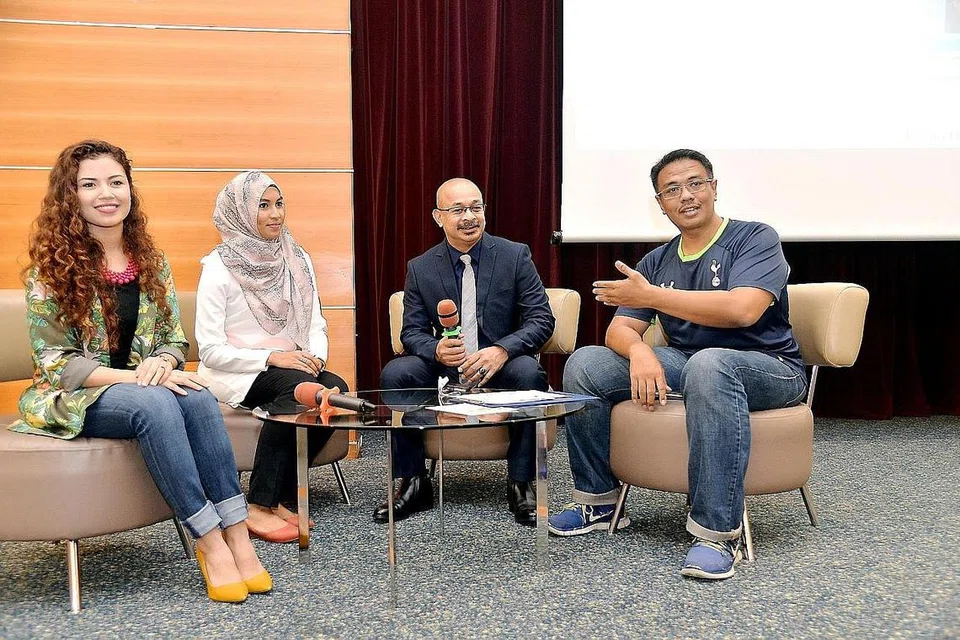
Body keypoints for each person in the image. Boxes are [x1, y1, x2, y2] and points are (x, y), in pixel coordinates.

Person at [9, 140, 270, 603]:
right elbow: (57, 364)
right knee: (157, 399)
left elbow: (174, 338)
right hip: (72, 397)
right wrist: (141, 378)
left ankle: (238, 534)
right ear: (70, 196)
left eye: (116, 181)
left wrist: (163, 362)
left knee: (199, 396)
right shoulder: (49, 270)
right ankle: (208, 542)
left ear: (130, 189)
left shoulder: (150, 261)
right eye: (89, 184)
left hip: (142, 387)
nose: (105, 193)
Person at [548, 149, 808, 580]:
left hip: (770, 366)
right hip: (691, 363)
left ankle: (716, 533)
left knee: (711, 365)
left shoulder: (754, 238)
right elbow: (619, 331)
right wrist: (640, 350)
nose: (686, 195)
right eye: (672, 189)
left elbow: (742, 310)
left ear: (714, 188)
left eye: (695, 183)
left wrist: (651, 297)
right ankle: (598, 502)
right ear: (660, 203)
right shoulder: (657, 260)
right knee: (587, 362)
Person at [377, 178, 555, 526]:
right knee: (396, 374)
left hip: (499, 367)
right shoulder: (421, 267)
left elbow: (541, 319)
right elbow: (410, 331)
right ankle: (413, 480)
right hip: (445, 369)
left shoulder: (514, 255)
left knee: (529, 373)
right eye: (458, 210)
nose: (469, 217)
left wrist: (502, 350)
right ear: (437, 217)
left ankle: (521, 482)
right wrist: (437, 349)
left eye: (476, 207)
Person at [195, 171, 349, 543]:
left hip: (294, 366)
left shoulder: (296, 257)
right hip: (236, 369)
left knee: (335, 388)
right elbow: (210, 349)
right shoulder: (219, 266)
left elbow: (316, 323)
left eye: (278, 204)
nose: (274, 213)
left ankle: (279, 495)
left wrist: (315, 357)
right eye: (262, 205)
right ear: (240, 211)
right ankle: (258, 502)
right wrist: (273, 358)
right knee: (300, 390)